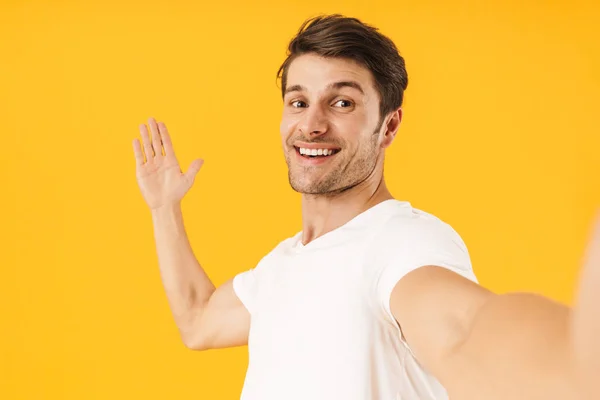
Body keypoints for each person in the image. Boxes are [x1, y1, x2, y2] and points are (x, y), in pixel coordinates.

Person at [132, 14, 599, 400]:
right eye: (298, 102)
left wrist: (573, 365)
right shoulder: (280, 266)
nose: (312, 124)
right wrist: (164, 208)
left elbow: (465, 331)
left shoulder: (400, 243)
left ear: (388, 126)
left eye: (341, 102)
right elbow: (198, 321)